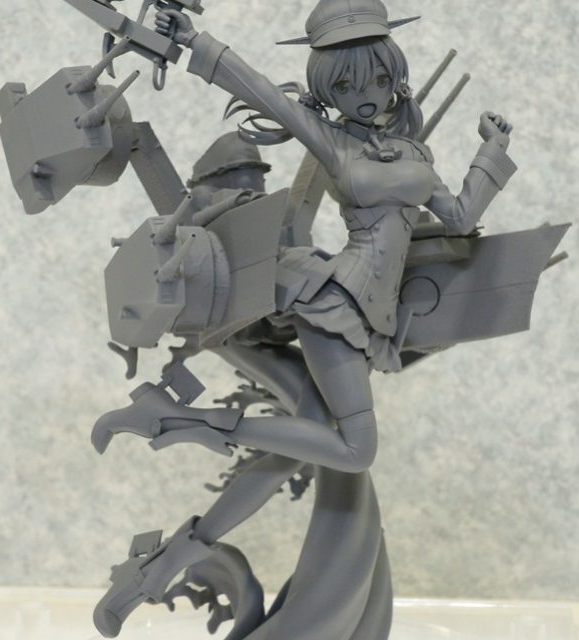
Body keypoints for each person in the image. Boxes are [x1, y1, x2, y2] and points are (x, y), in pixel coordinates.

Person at [91, 1, 517, 638]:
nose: (365, 96)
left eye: (378, 79)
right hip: (333, 300)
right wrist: (198, 43)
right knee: (356, 449)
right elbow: (265, 93)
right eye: (344, 86)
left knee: (294, 450)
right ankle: (181, 420)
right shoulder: (335, 142)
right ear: (325, 91)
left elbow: (458, 217)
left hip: (371, 314)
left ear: (395, 76)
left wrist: (492, 151)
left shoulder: (411, 149)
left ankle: (170, 559)